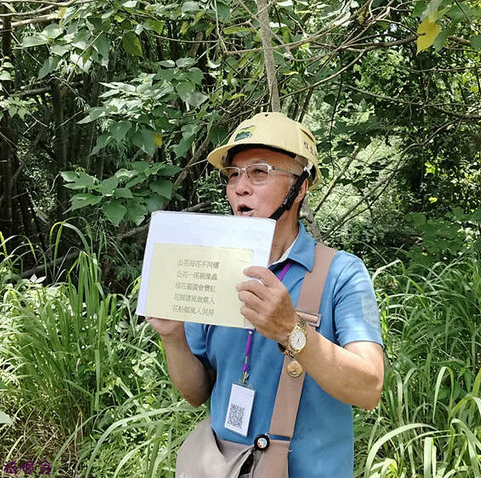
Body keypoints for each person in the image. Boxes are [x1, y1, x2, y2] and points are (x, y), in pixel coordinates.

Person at [146, 112, 384, 477]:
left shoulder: (340, 274)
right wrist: (173, 337)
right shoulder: (213, 267)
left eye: (259, 172)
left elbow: (369, 388)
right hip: (223, 468)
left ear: (300, 187)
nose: (240, 187)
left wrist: (293, 331)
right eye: (233, 175)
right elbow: (196, 394)